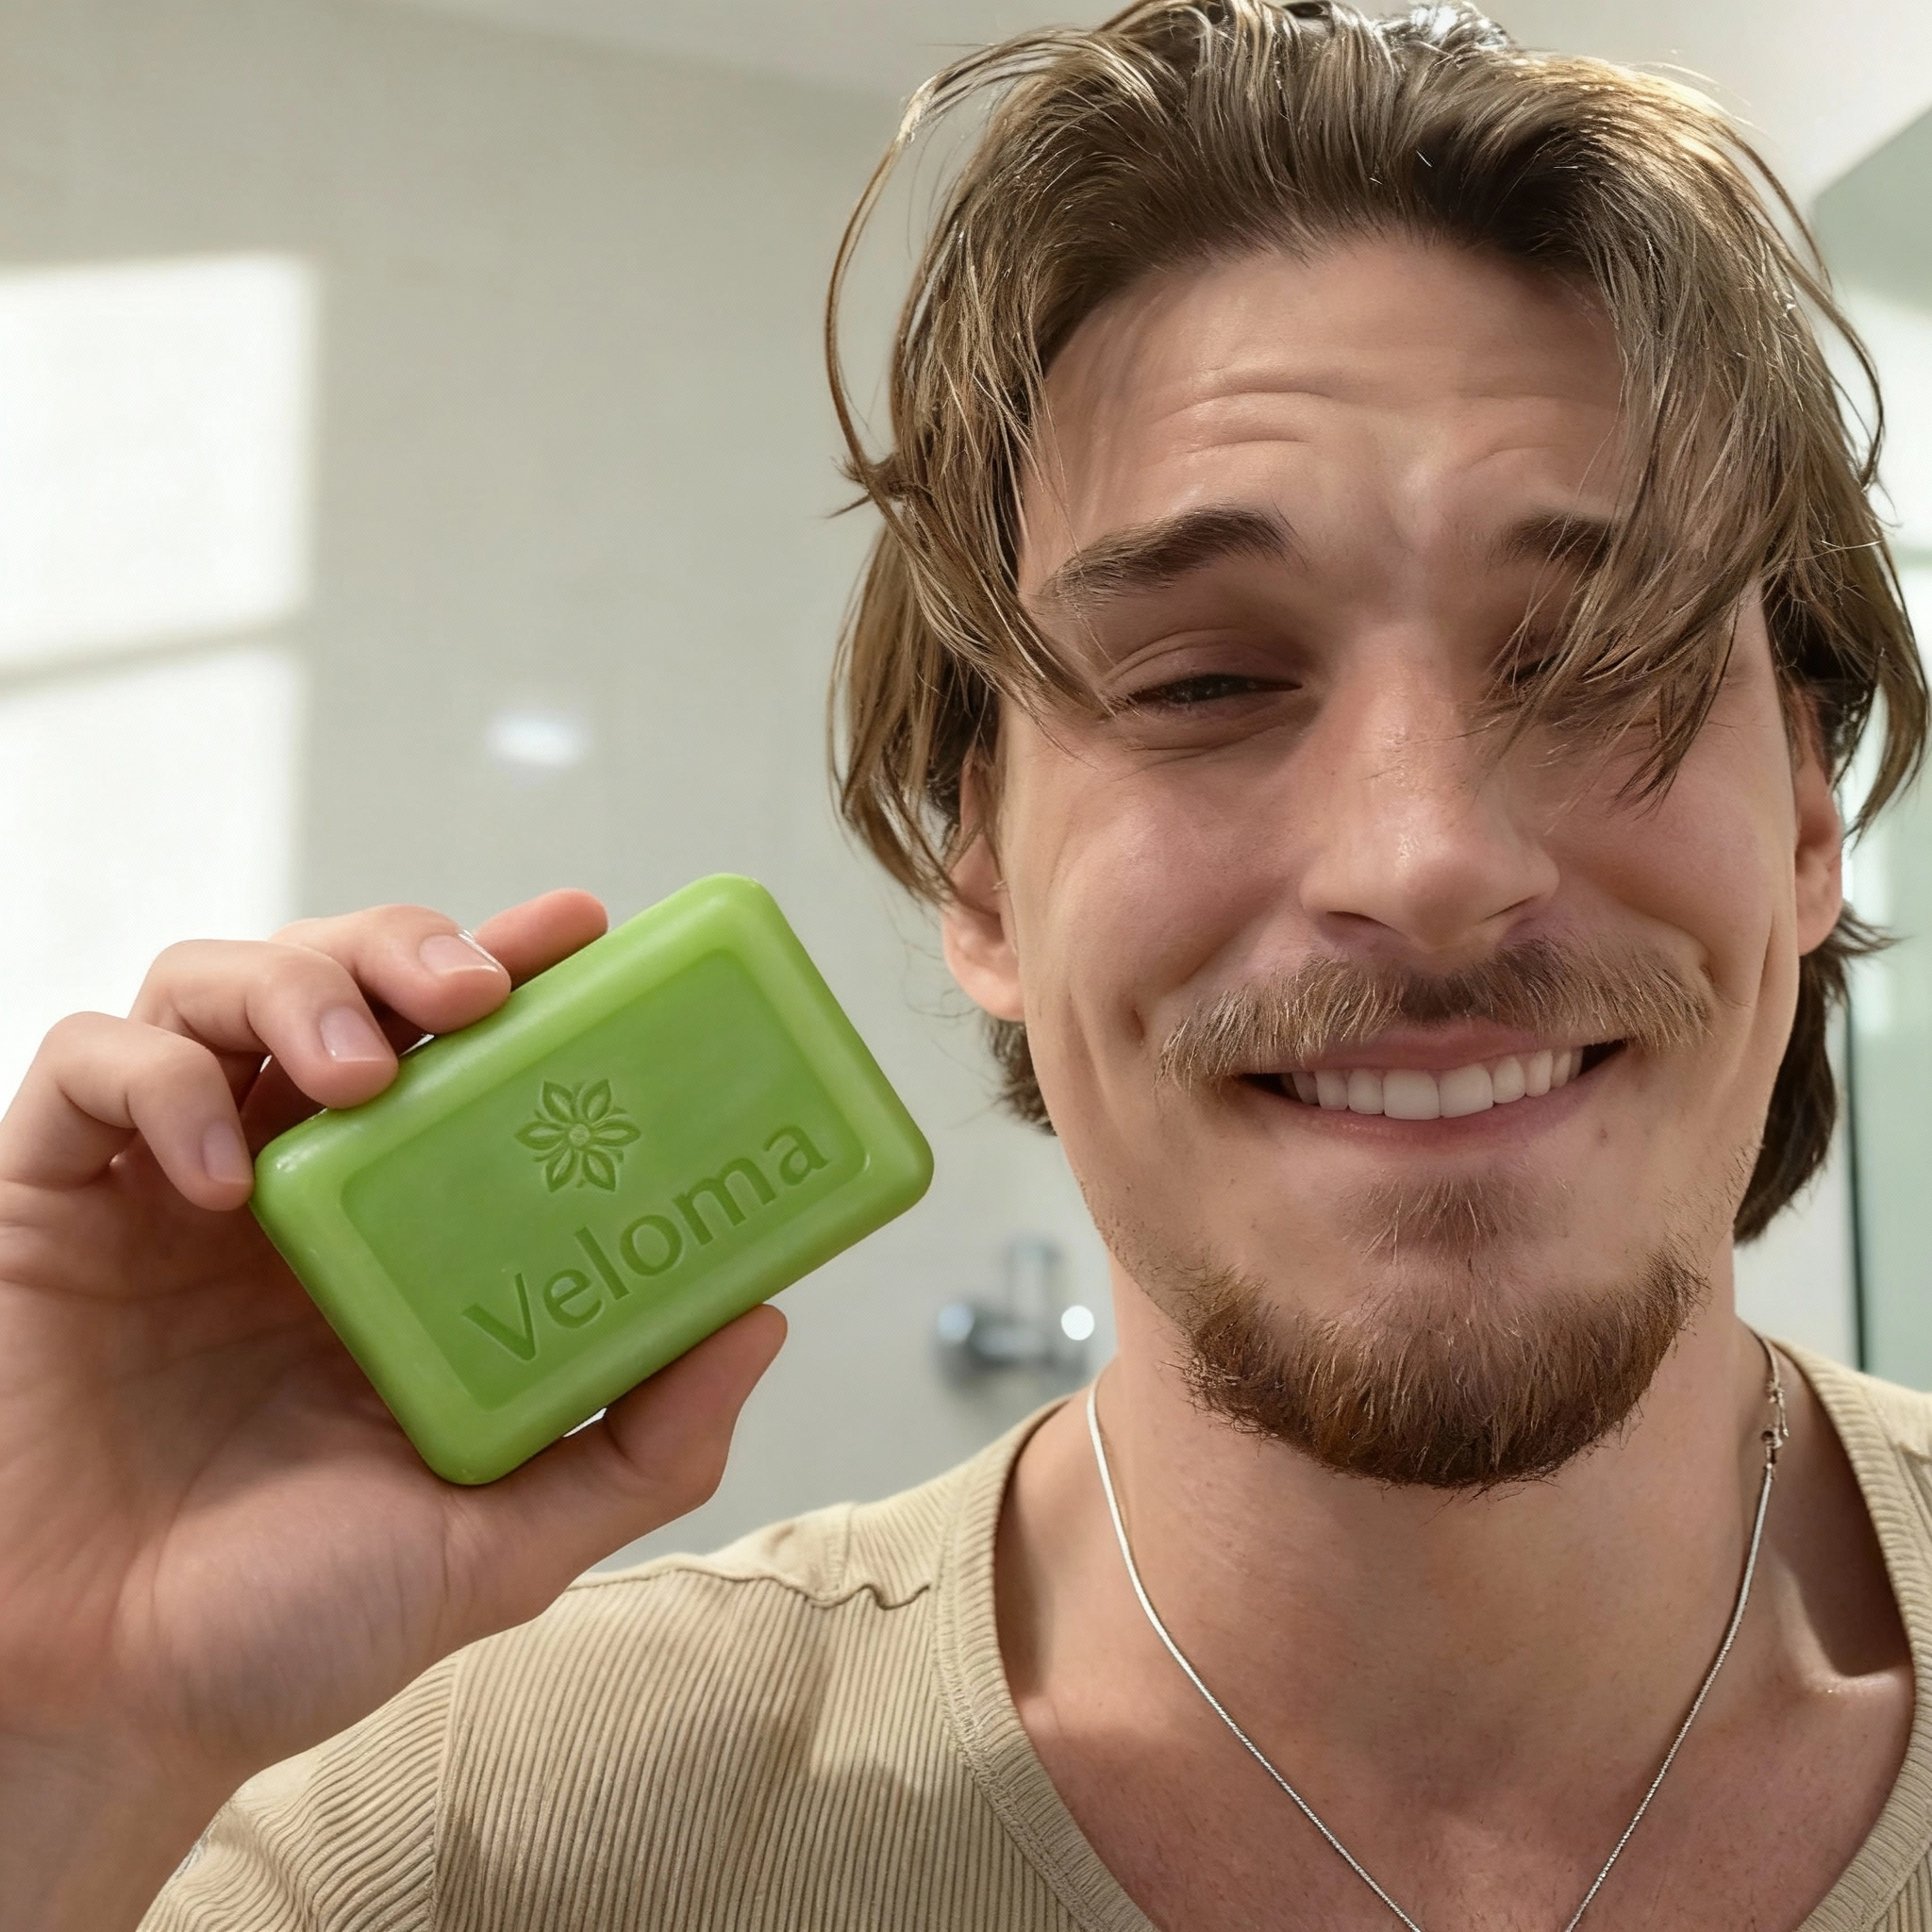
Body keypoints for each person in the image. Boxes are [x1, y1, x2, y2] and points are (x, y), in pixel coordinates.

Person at [4, 3, 1927, 1926]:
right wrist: (68, 1734)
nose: (1425, 861)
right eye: (1203, 681)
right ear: (980, 877)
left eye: (1600, 661)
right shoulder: (458, 1845)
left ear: (1806, 814)